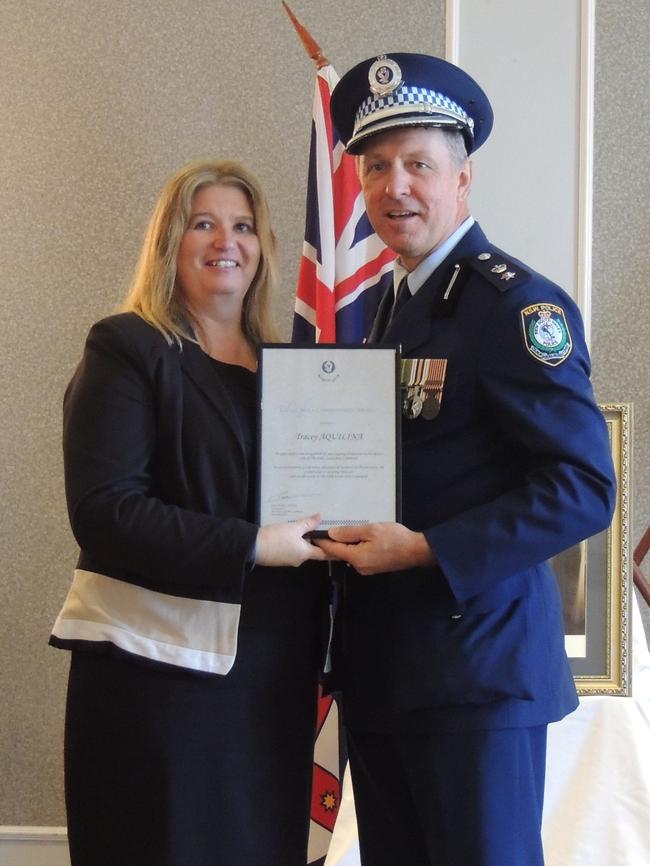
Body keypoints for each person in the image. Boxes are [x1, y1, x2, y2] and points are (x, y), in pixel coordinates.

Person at [317, 54, 617, 866]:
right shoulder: (386, 307)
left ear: (463, 179)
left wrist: (425, 549)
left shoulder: (517, 307)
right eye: (376, 167)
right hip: (387, 673)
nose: (394, 187)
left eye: (418, 164)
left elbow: (584, 488)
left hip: (475, 675)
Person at [49, 158, 329, 866]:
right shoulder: (128, 347)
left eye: (242, 226)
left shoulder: (288, 367)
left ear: (263, 246)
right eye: (202, 224)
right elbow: (105, 512)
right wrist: (254, 545)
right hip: (159, 681)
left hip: (273, 676)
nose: (224, 241)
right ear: (170, 242)